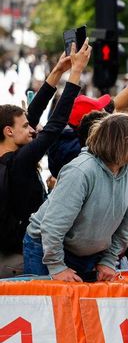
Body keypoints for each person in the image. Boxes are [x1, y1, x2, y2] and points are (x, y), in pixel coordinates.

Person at [0, 40, 91, 277]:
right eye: (25, 127)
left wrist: (59, 70)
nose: (32, 130)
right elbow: (54, 126)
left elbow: (33, 113)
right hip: (19, 257)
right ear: (8, 132)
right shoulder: (17, 162)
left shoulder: (9, 157)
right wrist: (76, 72)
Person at [23, 113, 128, 281]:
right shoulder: (81, 171)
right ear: (122, 142)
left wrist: (109, 260)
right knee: (48, 306)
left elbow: (125, 223)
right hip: (45, 248)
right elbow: (53, 225)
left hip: (86, 253)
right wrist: (56, 266)